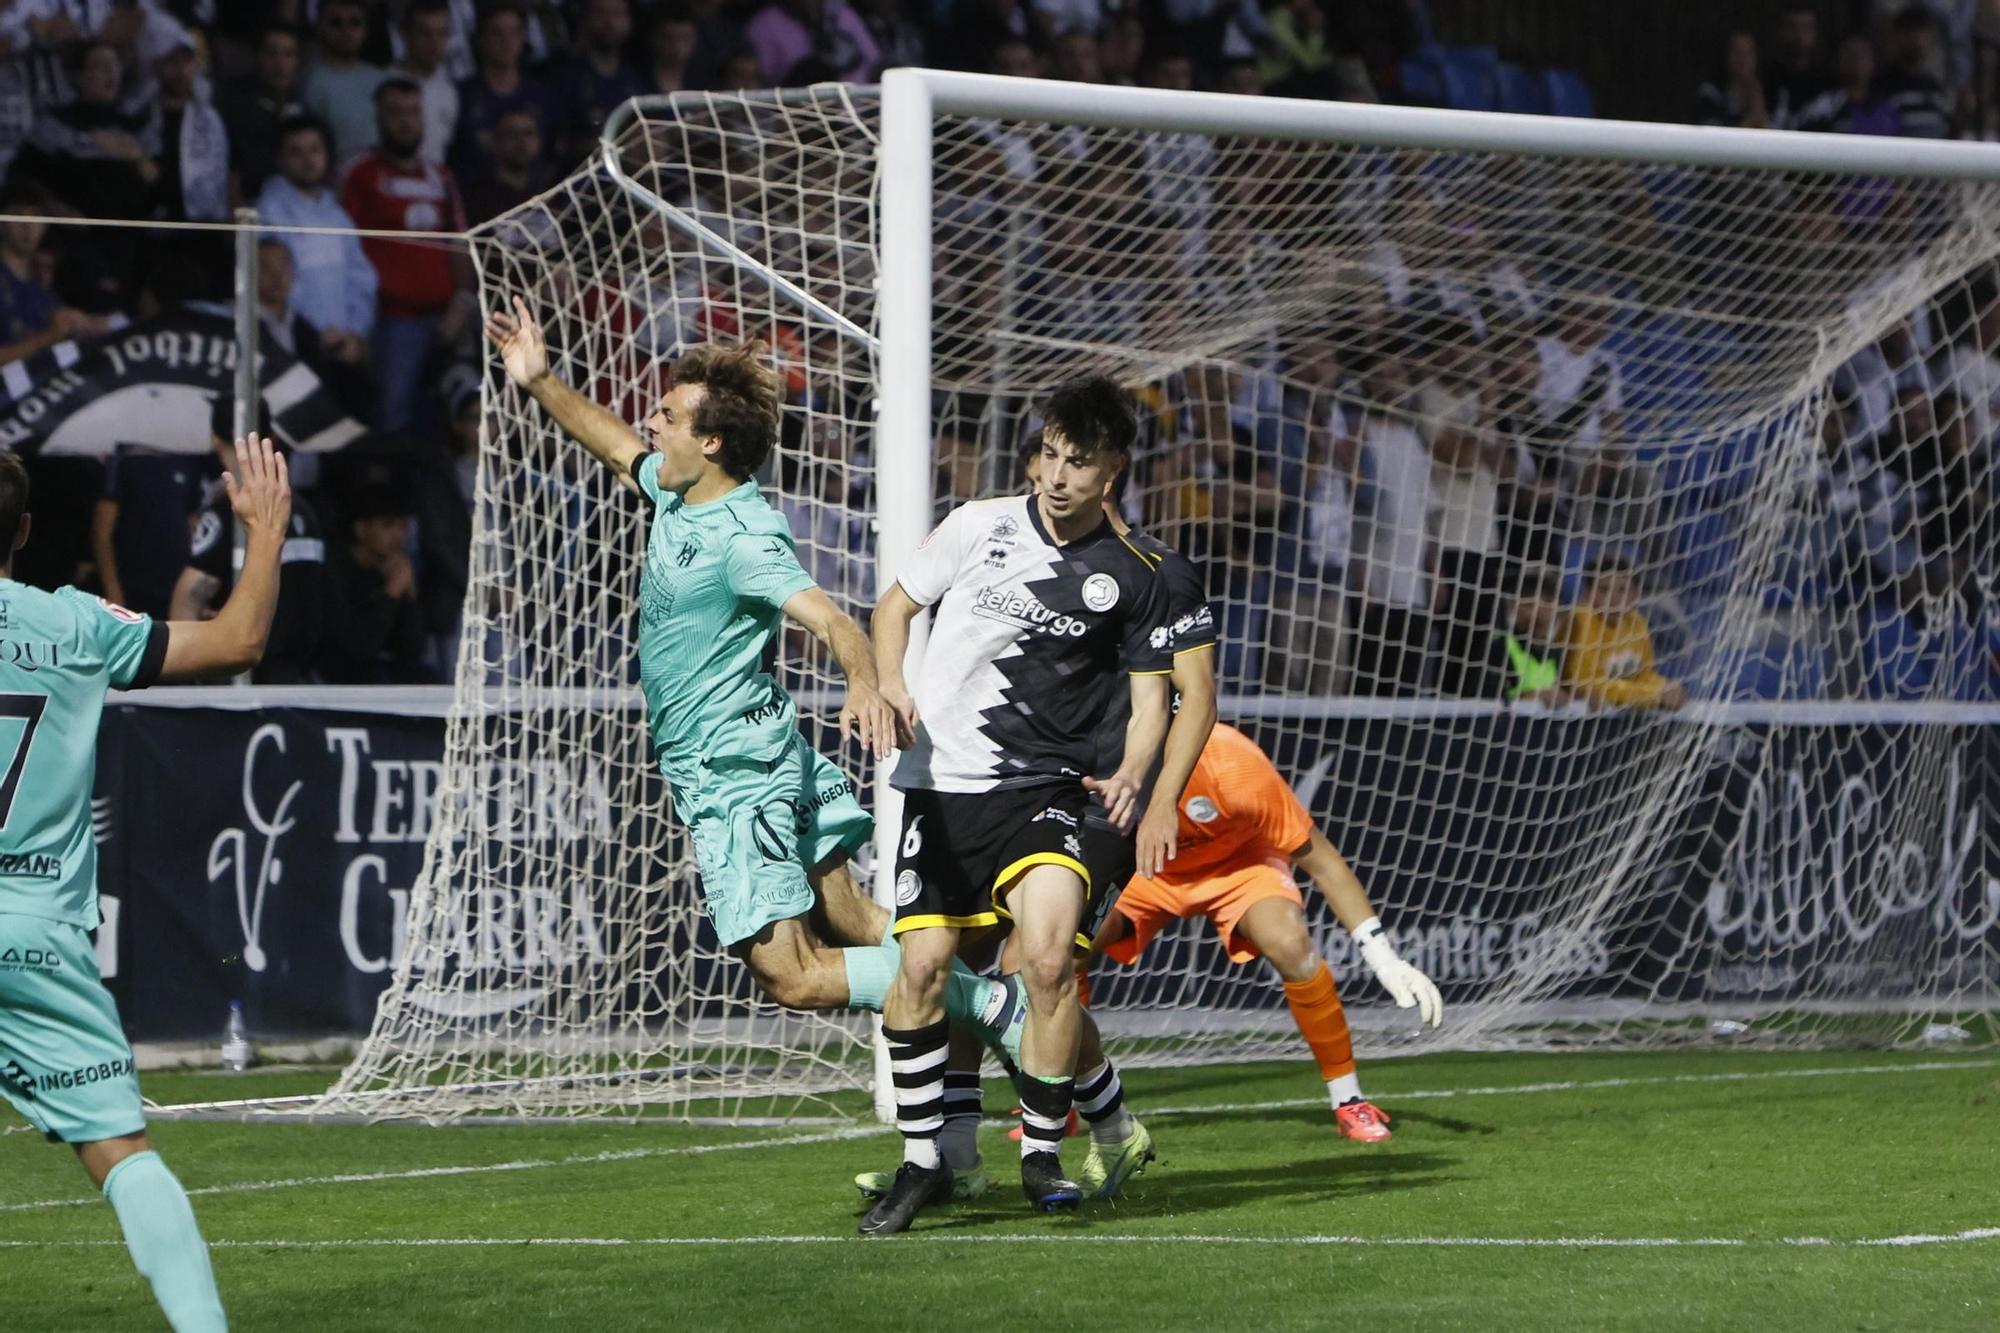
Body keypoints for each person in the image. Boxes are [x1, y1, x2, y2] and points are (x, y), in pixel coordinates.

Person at [481, 296, 1027, 1104]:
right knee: (857, 921)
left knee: (795, 977)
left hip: (740, 775)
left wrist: (861, 678)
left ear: (711, 443)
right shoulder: (676, 495)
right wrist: (540, 379)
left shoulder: (745, 539)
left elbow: (833, 617)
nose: (650, 423)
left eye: (666, 415)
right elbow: (613, 445)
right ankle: (970, 1072)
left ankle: (990, 1004)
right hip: (762, 755)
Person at [0, 433, 297, 1333]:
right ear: (20, 533)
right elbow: (239, 641)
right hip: (32, 932)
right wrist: (267, 533)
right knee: (121, 1153)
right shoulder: (73, 623)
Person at [864, 375, 1174, 1234]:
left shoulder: (1135, 575)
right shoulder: (977, 524)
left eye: (1079, 461)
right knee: (923, 970)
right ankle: (925, 1162)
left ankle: (1041, 1151)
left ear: (1111, 470)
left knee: (1042, 963)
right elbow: (895, 605)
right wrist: (890, 680)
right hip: (938, 785)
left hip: (1041, 789)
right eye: (1049, 453)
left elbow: (1160, 699)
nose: (1058, 474)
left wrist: (1138, 773)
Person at [1095, 722, 1443, 1137]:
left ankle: (1349, 1098)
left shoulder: (1234, 763)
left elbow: (1323, 862)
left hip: (1238, 863)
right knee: (1068, 940)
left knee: (1292, 944)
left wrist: (1383, 956)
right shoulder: (1107, 757)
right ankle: (1066, 1096)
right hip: (1147, 866)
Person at [342, 78, 469, 435]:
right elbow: (343, 245)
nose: (405, 121)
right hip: (391, 320)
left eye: (413, 112)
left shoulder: (440, 175)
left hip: (446, 319)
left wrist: (462, 300)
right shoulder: (360, 173)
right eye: (395, 113)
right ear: (379, 118)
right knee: (392, 412)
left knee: (449, 411)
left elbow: (459, 240)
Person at [170, 427, 333, 685]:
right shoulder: (306, 511)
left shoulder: (226, 513)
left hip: (247, 672)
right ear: (274, 436)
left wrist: (186, 677)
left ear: (214, 437)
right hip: (298, 670)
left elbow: (188, 598)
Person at [255, 116, 375, 376]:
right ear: (280, 159)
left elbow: (361, 278)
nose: (308, 160)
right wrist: (314, 335)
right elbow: (276, 282)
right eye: (296, 152)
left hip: (343, 349)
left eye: (315, 150)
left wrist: (355, 333)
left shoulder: (336, 214)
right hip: (293, 349)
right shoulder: (269, 211)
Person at [1564, 552, 1687, 710]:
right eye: (1604, 590)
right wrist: (1654, 695)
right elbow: (1587, 686)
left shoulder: (1637, 622)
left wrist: (1666, 687)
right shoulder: (1579, 622)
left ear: (1635, 595)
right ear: (1587, 594)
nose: (1613, 599)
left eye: (1622, 590)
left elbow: (1644, 675)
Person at [219, 22, 306, 202]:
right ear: (258, 57)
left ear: (298, 61)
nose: (279, 64)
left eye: (288, 54)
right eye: (271, 53)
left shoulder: (306, 112)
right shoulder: (233, 110)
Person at [299, 0, 388, 159]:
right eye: (335, 23)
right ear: (320, 27)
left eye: (354, 23)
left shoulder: (380, 78)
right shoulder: (310, 81)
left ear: (365, 30)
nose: (345, 31)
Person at [1486, 564, 1572, 705]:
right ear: (1514, 606)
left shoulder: (1558, 652)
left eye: (1548, 602)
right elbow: (1485, 702)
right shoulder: (1498, 647)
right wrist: (1530, 698)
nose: (1537, 612)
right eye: (1529, 604)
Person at [395, 0, 461, 165]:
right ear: (405, 34)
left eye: (441, 33)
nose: (434, 42)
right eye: (425, 33)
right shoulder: (383, 84)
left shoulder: (450, 91)